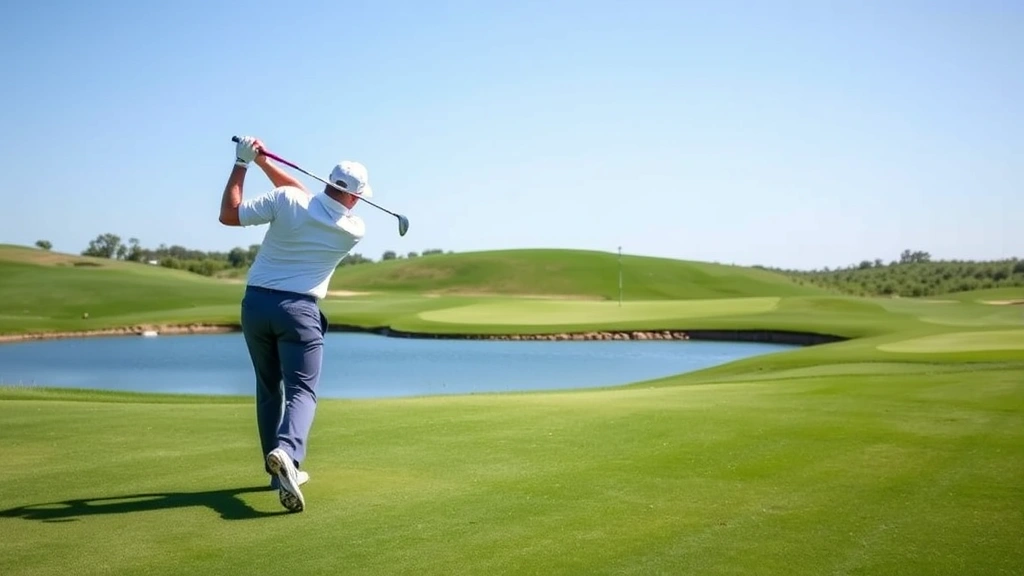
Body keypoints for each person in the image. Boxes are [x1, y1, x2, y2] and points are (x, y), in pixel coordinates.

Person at [218, 135, 371, 513]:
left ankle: (277, 473)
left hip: (255, 305)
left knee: (269, 388)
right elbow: (310, 202)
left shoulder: (287, 201)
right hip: (299, 312)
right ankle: (286, 454)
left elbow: (230, 214)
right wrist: (264, 162)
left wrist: (245, 163)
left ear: (326, 183)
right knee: (302, 390)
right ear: (354, 197)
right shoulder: (353, 229)